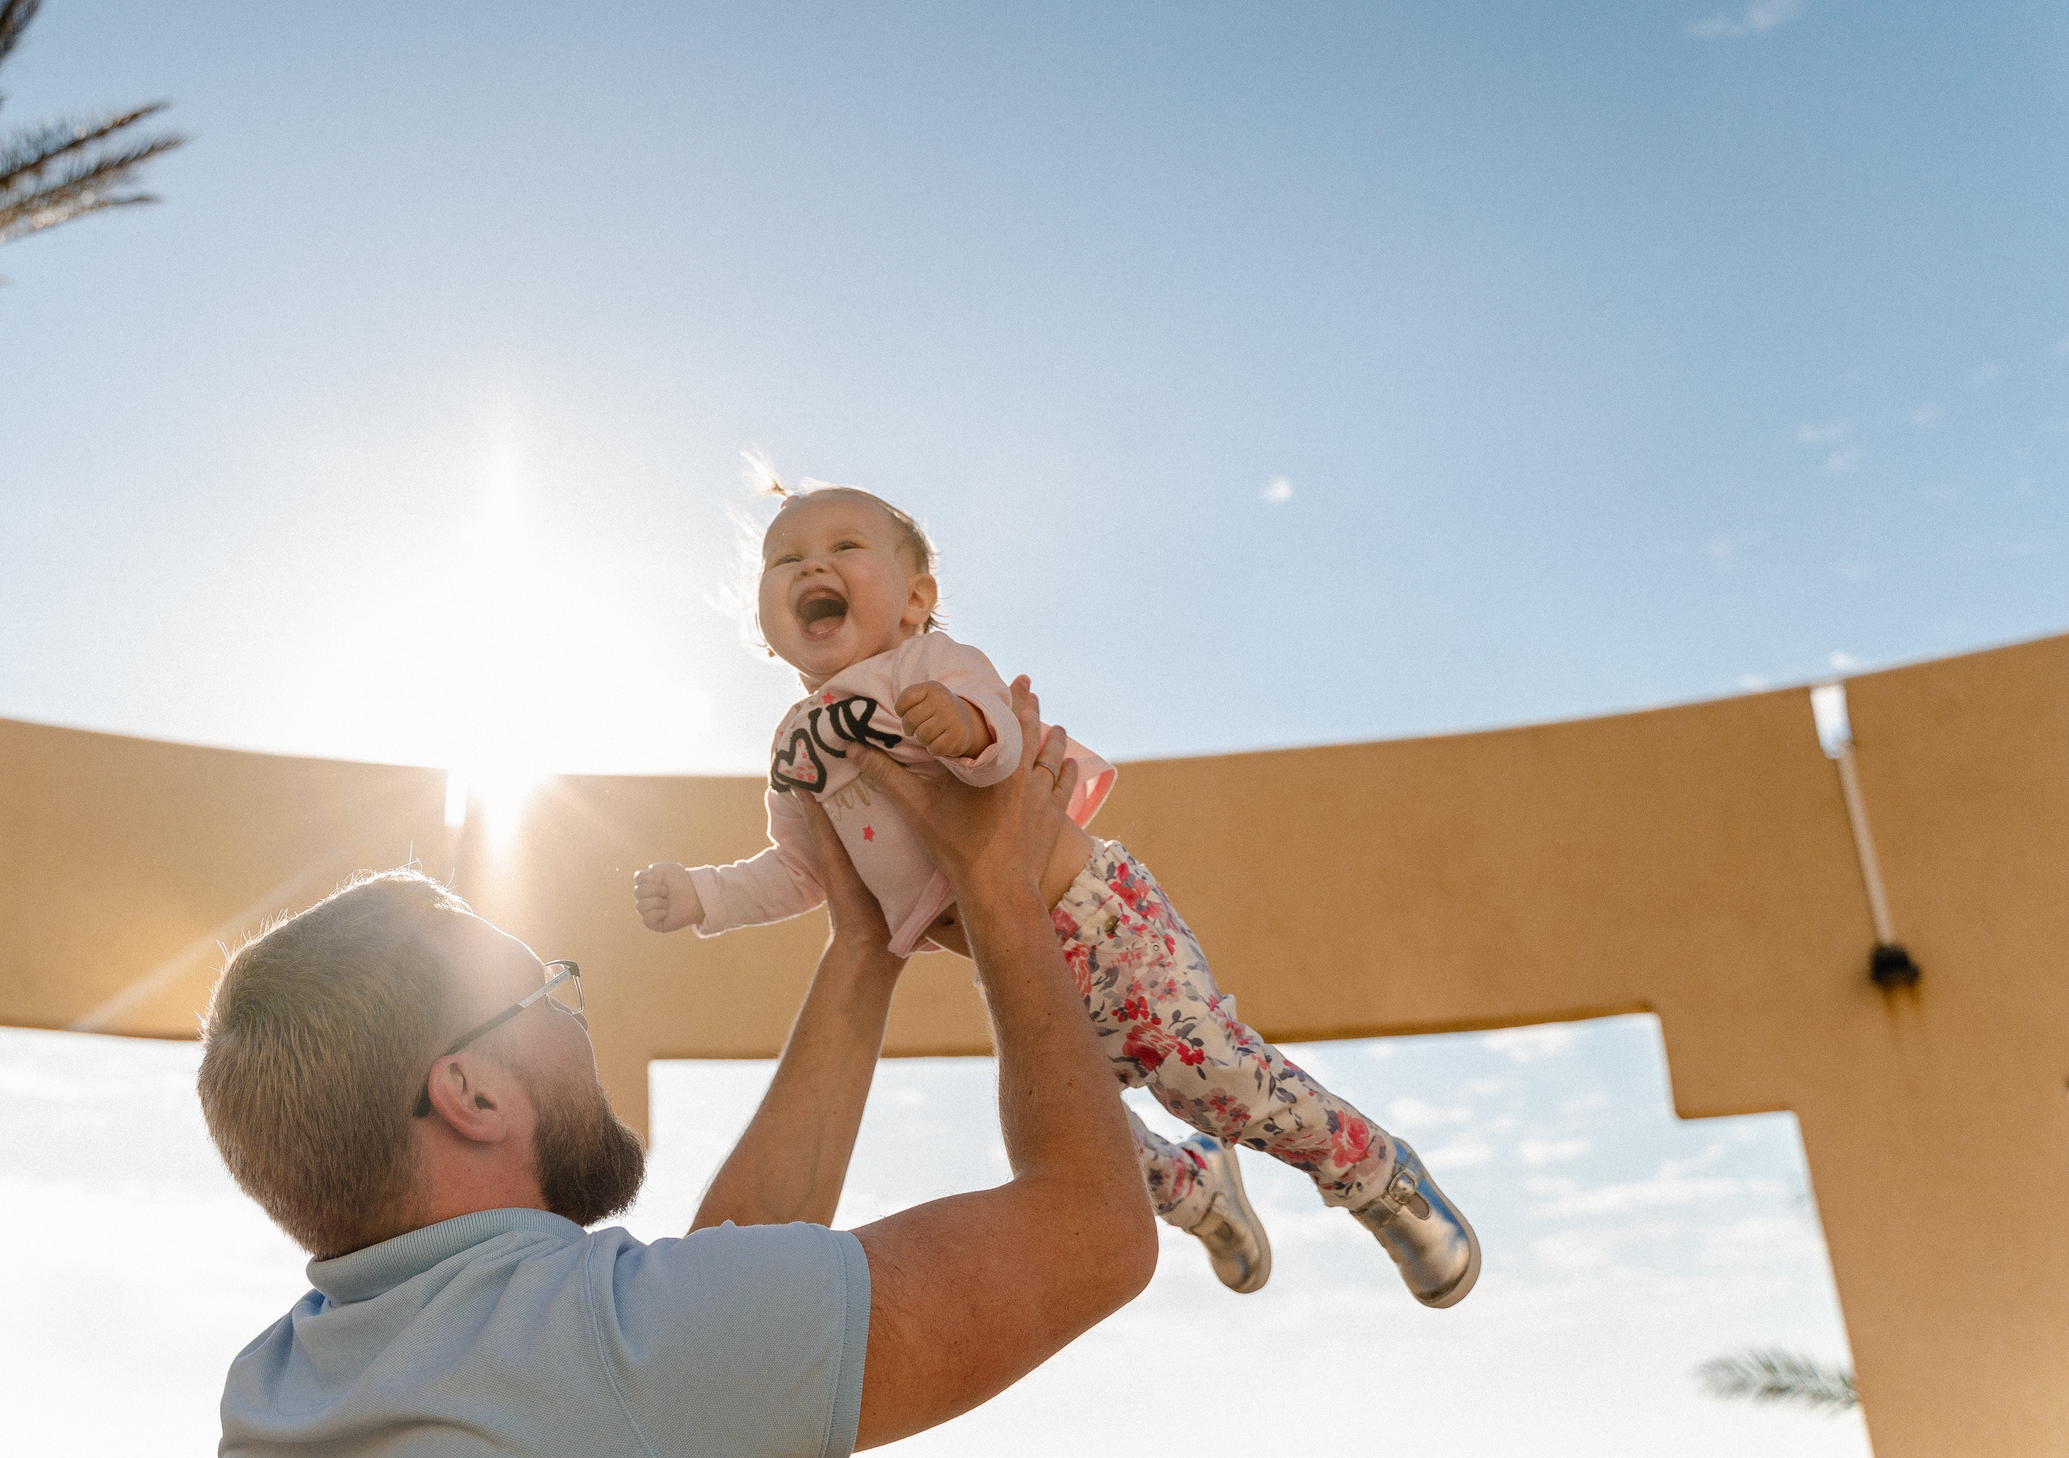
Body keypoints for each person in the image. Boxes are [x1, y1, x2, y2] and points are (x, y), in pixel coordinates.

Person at [199, 681, 1161, 1455]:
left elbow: (709, 1315)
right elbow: (1095, 1231)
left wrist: (864, 951)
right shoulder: (611, 1352)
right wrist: (997, 885)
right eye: (548, 994)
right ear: (472, 1094)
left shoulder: (276, 1390)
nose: (581, 1025)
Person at [632, 482, 1479, 1306]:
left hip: (1098, 918)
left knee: (1211, 1079)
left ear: (916, 598)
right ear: (765, 623)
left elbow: (1004, 746)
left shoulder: (925, 666)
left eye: (844, 547)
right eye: (785, 558)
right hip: (1014, 960)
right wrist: (702, 896)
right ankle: (1199, 1194)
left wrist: (962, 728)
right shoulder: (794, 748)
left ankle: (1375, 1173)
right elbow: (802, 871)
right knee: (1084, 1136)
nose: (810, 564)